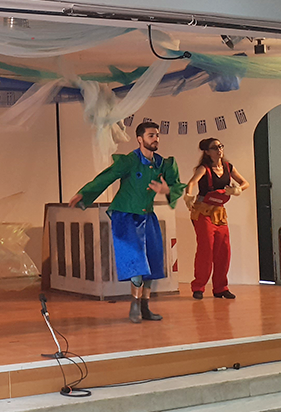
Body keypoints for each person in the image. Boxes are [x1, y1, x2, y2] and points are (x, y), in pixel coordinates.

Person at [69, 121, 185, 323]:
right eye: (151, 135)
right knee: (136, 263)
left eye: (157, 135)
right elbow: (106, 177)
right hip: (126, 216)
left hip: (147, 217)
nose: (155, 139)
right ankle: (135, 305)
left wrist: (167, 190)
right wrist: (84, 193)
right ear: (140, 139)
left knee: (153, 261)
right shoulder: (130, 161)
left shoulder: (163, 163)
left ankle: (145, 306)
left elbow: (176, 186)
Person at [184, 137, 249, 300]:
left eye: (221, 146)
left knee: (223, 250)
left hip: (219, 213)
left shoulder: (228, 167)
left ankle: (221, 288)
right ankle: (198, 287)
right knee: (206, 249)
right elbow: (191, 183)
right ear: (207, 152)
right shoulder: (204, 168)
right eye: (215, 147)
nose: (219, 150)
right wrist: (188, 196)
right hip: (203, 212)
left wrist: (238, 190)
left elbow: (245, 182)